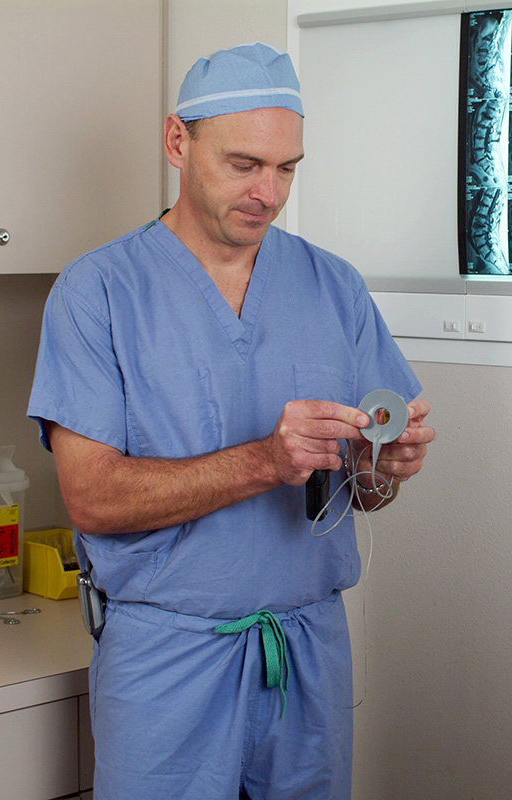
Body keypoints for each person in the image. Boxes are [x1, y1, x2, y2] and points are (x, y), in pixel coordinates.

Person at [27, 42, 434, 799]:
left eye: (287, 169)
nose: (268, 192)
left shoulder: (333, 287)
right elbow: (93, 498)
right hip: (167, 664)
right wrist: (265, 461)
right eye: (244, 164)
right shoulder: (98, 294)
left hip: (308, 656)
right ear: (179, 141)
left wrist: (380, 469)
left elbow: (365, 495)